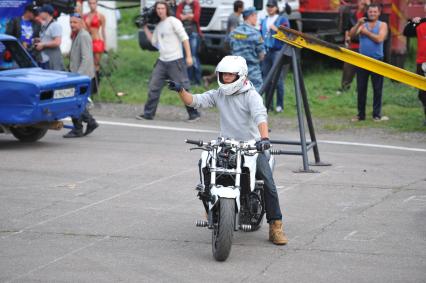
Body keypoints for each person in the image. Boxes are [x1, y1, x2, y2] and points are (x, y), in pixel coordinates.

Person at [168, 55, 288, 245]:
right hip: (226, 144)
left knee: (267, 182)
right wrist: (181, 90)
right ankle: (210, 207)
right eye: (223, 74)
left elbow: (260, 117)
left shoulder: (251, 95)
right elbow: (195, 101)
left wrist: (264, 139)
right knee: (204, 164)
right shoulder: (219, 94)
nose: (226, 78)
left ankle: (276, 225)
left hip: (250, 146)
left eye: (230, 75)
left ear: (240, 75)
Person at [136, 0, 200, 121]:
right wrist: (144, 27)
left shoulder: (173, 21)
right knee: (153, 87)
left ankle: (194, 114)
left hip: (176, 61)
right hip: (162, 61)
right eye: (158, 8)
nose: (160, 10)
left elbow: (185, 38)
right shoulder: (159, 25)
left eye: (162, 8)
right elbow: (154, 42)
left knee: (183, 89)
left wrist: (189, 56)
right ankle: (148, 114)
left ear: (166, 9)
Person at [349, 3, 388, 122]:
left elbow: (379, 39)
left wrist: (365, 32)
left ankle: (376, 115)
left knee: (377, 89)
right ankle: (361, 115)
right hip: (363, 61)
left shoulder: (383, 25)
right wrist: (358, 24)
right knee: (361, 88)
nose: (372, 14)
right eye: (370, 12)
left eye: (375, 12)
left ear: (379, 13)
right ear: (367, 12)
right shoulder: (363, 24)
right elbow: (351, 35)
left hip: (377, 61)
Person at [63, 13, 99, 138]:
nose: (72, 25)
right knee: (76, 103)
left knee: (74, 103)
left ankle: (82, 127)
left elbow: (86, 59)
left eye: (75, 22)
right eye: (70, 22)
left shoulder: (83, 36)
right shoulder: (76, 35)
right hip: (77, 75)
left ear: (81, 23)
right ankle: (86, 124)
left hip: (81, 77)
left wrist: (78, 77)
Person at [202, 0, 244, 88]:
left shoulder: (234, 16)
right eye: (242, 7)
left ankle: (210, 79)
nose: (243, 9)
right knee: (228, 66)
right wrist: (243, 37)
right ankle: (210, 79)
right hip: (229, 46)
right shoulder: (234, 18)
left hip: (229, 44)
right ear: (239, 8)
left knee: (228, 65)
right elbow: (232, 33)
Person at [260, 0, 290, 112]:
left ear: (276, 8)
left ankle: (280, 105)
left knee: (278, 79)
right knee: (266, 79)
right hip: (266, 52)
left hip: (278, 51)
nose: (269, 8)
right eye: (268, 6)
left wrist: (276, 30)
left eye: (272, 6)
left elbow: (288, 35)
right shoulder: (264, 20)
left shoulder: (282, 19)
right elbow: (260, 35)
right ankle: (269, 105)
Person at [337, 0, 370, 95]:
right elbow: (347, 28)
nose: (363, 3)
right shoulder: (352, 14)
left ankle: (360, 90)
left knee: (362, 69)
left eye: (365, 2)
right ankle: (345, 87)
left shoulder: (368, 15)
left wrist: (368, 6)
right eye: (361, 1)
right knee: (348, 68)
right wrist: (346, 41)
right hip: (353, 44)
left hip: (364, 45)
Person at [229, 7, 265, 92]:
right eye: (255, 16)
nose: (256, 19)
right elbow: (261, 56)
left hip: (237, 71)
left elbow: (229, 47)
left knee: (238, 96)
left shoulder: (234, 32)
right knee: (256, 96)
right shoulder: (255, 33)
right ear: (251, 16)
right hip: (253, 71)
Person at [403, 16, 426, 126]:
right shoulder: (421, 23)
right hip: (422, 62)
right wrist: (413, 22)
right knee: (422, 93)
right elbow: (406, 32)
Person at [176, 0, 202, 85]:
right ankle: (187, 79)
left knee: (193, 57)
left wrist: (184, 16)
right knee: (184, 57)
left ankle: (197, 80)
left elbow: (196, 17)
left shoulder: (196, 3)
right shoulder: (181, 4)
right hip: (183, 34)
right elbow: (178, 17)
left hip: (193, 33)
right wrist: (189, 16)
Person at [84, 0, 106, 92]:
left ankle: (95, 88)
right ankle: (88, 86)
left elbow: (103, 31)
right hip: (88, 41)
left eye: (94, 3)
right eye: (90, 3)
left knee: (96, 64)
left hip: (97, 41)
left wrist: (105, 44)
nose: (92, 5)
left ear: (97, 4)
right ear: (88, 4)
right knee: (87, 64)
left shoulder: (101, 16)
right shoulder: (85, 16)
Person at [34, 4, 64, 71]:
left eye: (41, 12)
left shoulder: (55, 25)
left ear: (46, 13)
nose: (39, 13)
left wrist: (43, 44)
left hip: (53, 61)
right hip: (45, 60)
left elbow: (57, 42)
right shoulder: (45, 25)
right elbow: (48, 38)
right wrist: (39, 40)